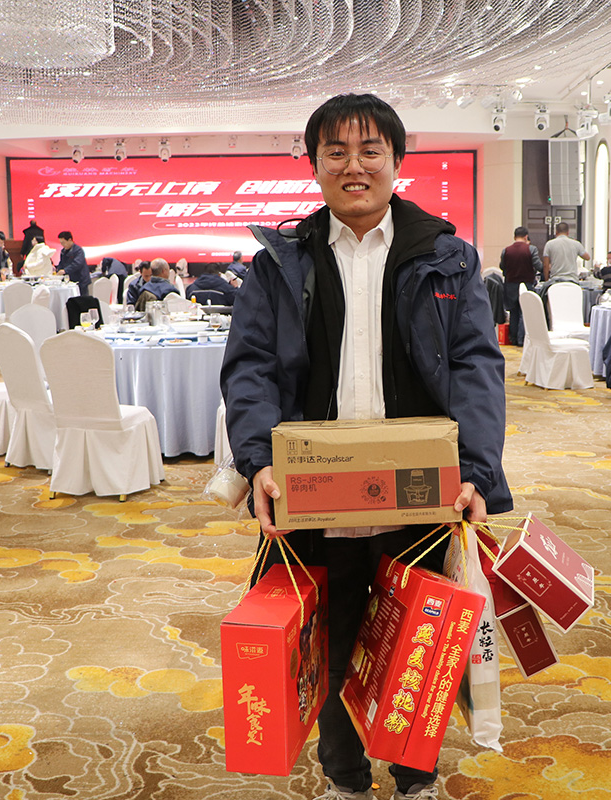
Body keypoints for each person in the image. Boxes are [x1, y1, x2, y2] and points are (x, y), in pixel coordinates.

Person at [220, 93, 510, 800]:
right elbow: (251, 369)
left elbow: (477, 367)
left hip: (421, 498)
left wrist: (476, 471)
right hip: (313, 498)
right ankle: (346, 780)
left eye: (370, 151)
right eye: (337, 152)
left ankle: (415, 777)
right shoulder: (280, 263)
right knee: (327, 647)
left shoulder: (447, 258)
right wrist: (258, 461)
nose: (354, 166)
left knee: (421, 646)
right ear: (315, 165)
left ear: (396, 161)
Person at [500, 226, 541, 345]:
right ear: (526, 237)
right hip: (526, 283)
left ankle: (513, 338)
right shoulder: (531, 249)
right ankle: (521, 339)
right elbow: (538, 265)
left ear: (514, 237)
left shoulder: (506, 250)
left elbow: (502, 266)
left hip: (510, 284)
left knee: (514, 312)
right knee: (525, 312)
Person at [56, 231, 90, 297]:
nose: (62, 245)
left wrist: (65, 270)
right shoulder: (63, 251)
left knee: (83, 299)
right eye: (61, 243)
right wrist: (58, 269)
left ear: (70, 240)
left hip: (81, 279)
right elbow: (61, 262)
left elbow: (77, 263)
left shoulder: (78, 250)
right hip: (70, 280)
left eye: (63, 243)